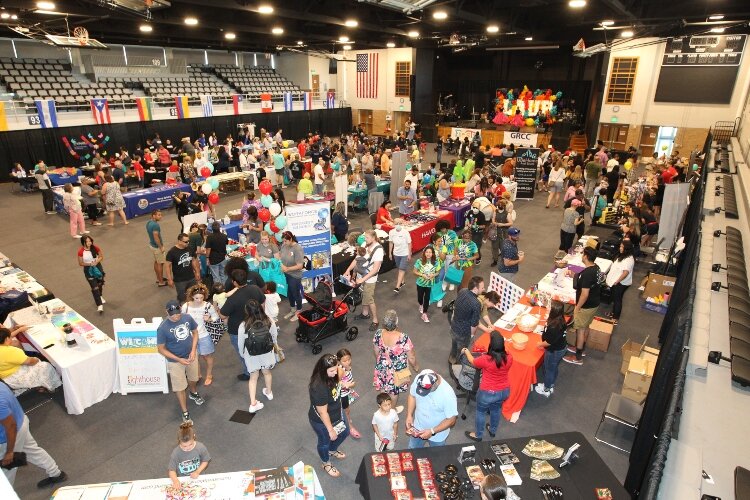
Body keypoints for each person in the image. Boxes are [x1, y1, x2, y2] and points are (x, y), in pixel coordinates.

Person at [0, 380, 67, 488]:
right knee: (32, 451)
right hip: (21, 422)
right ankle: (56, 474)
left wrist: (10, 452)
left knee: (6, 470)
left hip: (9, 436)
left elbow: (11, 427)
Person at [157, 300, 204, 423]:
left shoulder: (187, 318)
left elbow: (195, 333)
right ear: (166, 312)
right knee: (180, 387)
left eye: (178, 313)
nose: (176, 316)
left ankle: (193, 393)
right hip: (175, 361)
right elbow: (160, 349)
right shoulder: (162, 328)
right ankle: (185, 412)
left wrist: (193, 350)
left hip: (190, 355)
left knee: (194, 378)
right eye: (173, 314)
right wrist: (178, 359)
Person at [461, 332, 513, 441]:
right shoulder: (509, 357)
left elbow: (472, 361)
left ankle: (478, 435)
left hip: (487, 393)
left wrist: (466, 351)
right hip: (504, 391)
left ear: (491, 346)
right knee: (496, 410)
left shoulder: (485, 359)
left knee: (480, 412)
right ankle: (492, 430)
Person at [308, 353, 349, 478]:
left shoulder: (336, 372)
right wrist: (330, 430)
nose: (335, 372)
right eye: (331, 370)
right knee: (325, 441)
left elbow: (341, 374)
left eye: (336, 368)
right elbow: (322, 412)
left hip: (337, 412)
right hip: (322, 421)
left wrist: (342, 383)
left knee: (345, 432)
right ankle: (326, 463)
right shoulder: (318, 386)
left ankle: (332, 450)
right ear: (322, 370)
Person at [372, 309, 418, 413]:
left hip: (382, 366)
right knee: (393, 392)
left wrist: (379, 362)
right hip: (396, 370)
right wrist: (416, 366)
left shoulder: (378, 333)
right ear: (396, 321)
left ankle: (383, 408)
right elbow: (411, 357)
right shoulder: (403, 338)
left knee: (383, 388)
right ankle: (391, 410)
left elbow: (376, 350)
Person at [563, 246, 601, 366]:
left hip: (586, 306)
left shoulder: (587, 274)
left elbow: (584, 294)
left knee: (580, 330)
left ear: (586, 256)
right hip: (594, 304)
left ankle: (578, 357)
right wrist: (574, 275)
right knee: (586, 326)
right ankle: (581, 349)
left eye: (582, 253)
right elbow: (586, 281)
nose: (581, 255)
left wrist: (577, 308)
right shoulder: (595, 268)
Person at [237, 299, 277, 413]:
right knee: (267, 373)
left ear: (247, 311)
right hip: (267, 352)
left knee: (253, 378)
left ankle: (253, 403)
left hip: (251, 354)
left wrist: (242, 354)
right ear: (260, 308)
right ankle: (269, 392)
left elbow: (241, 343)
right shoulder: (269, 321)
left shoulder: (244, 325)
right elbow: (274, 336)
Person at [406, 369, 458, 448]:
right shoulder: (420, 378)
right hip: (418, 427)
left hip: (438, 434)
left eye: (425, 391)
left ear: (435, 385)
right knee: (412, 452)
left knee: (436, 456)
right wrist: (409, 415)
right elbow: (412, 395)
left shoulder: (448, 395)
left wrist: (432, 431)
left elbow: (451, 420)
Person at [0, 328, 62, 394]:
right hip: (13, 379)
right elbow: (30, 362)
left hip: (4, 378)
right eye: (10, 337)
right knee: (45, 366)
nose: (11, 339)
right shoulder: (10, 351)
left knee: (35, 362)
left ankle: (41, 383)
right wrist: (36, 359)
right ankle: (52, 387)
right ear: (6, 339)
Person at [181, 284, 219, 386]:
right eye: (197, 298)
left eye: (201, 297)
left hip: (204, 335)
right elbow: (181, 319)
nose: (199, 300)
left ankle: (209, 375)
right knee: (194, 357)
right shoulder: (186, 306)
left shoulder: (208, 306)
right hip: (190, 337)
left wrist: (209, 319)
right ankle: (197, 374)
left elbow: (216, 317)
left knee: (207, 356)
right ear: (192, 296)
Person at [347, 230, 384, 331]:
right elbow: (356, 259)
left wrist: (362, 279)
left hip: (370, 278)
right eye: (365, 237)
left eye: (367, 237)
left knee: (369, 298)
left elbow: (375, 269)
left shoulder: (379, 250)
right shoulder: (364, 244)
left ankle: (375, 320)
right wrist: (348, 270)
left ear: (373, 238)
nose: (365, 239)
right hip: (360, 275)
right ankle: (365, 313)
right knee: (363, 294)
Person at [535, 300, 568, 397]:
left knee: (549, 368)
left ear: (554, 311)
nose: (547, 307)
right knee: (553, 367)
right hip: (558, 348)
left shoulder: (554, 326)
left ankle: (547, 389)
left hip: (554, 351)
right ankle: (551, 383)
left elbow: (549, 342)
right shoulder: (558, 319)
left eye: (550, 307)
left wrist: (540, 344)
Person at [449, 276, 484, 364]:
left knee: (454, 343)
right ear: (476, 289)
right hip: (463, 333)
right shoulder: (476, 304)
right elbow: (474, 324)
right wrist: (472, 335)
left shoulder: (462, 291)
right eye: (482, 287)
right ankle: (457, 364)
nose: (484, 289)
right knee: (462, 350)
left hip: (453, 326)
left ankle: (451, 357)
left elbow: (456, 306)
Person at [168, 422, 210, 487]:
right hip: (183, 479)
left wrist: (197, 471)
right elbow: (171, 470)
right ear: (179, 442)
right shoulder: (176, 452)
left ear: (194, 437)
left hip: (198, 475)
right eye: (184, 446)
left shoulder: (200, 447)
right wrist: (175, 480)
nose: (187, 448)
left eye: (190, 444)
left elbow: (205, 461)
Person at [606, 240, 635, 325]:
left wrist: (617, 281)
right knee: (615, 299)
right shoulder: (624, 256)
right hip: (617, 282)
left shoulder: (628, 260)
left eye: (622, 247)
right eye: (620, 246)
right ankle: (613, 313)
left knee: (617, 300)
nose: (620, 248)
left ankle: (615, 319)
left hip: (621, 283)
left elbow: (626, 272)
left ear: (626, 249)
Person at [165, 233, 200, 303]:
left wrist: (197, 272)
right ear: (179, 241)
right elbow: (167, 266)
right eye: (186, 241)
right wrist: (169, 279)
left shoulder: (190, 248)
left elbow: (193, 260)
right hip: (180, 280)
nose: (188, 243)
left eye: (188, 241)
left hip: (191, 277)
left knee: (193, 295)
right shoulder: (172, 252)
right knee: (182, 298)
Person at [279, 231, 305, 321]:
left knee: (295, 293)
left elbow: (300, 265)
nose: (284, 243)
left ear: (291, 239)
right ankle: (293, 309)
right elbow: (280, 257)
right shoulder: (283, 246)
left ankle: (299, 310)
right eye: (283, 241)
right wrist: (282, 266)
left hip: (295, 275)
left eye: (285, 241)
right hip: (286, 274)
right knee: (289, 293)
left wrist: (288, 269)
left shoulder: (297, 248)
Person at [336, 349, 361, 439]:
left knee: (347, 409)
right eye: (344, 361)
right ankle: (350, 426)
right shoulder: (340, 371)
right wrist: (349, 384)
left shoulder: (347, 367)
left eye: (349, 359)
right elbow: (336, 383)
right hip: (342, 395)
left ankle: (345, 418)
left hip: (347, 392)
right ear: (339, 361)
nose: (347, 362)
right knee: (345, 410)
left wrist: (350, 384)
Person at [77, 235, 106, 313]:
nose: (89, 243)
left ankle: (100, 296)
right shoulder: (80, 251)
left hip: (98, 267)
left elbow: (101, 257)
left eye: (90, 241)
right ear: (83, 242)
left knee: (100, 284)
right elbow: (81, 263)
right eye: (87, 241)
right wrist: (90, 264)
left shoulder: (95, 248)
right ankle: (99, 305)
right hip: (88, 270)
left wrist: (96, 262)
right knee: (94, 287)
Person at [413, 245, 441, 323]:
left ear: (433, 253)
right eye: (427, 252)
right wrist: (422, 275)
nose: (428, 254)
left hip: (429, 284)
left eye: (430, 252)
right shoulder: (419, 261)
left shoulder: (436, 262)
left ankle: (424, 314)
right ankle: (420, 305)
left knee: (427, 298)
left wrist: (433, 275)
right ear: (424, 253)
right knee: (420, 297)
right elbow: (414, 271)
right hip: (420, 283)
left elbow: (438, 272)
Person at [389, 221, 412, 293]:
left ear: (401, 224)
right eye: (396, 224)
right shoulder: (391, 232)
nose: (398, 225)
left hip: (404, 253)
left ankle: (397, 287)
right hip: (396, 253)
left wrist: (409, 254)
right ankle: (402, 281)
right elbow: (391, 242)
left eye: (399, 223)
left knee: (401, 269)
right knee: (399, 267)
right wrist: (390, 253)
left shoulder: (405, 232)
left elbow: (409, 243)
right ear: (394, 224)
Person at [147, 210, 168, 287]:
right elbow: (156, 238)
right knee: (160, 264)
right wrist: (161, 247)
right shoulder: (155, 225)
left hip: (152, 245)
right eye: (158, 215)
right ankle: (161, 282)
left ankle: (158, 278)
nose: (160, 216)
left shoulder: (149, 223)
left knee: (156, 261)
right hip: (157, 247)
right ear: (153, 216)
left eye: (161, 215)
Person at [490, 199, 513, 267]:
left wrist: (502, 224)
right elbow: (493, 219)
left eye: (501, 205)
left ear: (504, 206)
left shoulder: (507, 214)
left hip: (504, 233)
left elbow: (511, 223)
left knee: (503, 247)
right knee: (494, 247)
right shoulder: (495, 211)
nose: (500, 206)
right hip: (495, 232)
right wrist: (495, 223)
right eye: (499, 205)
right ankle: (495, 260)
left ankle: (504, 260)